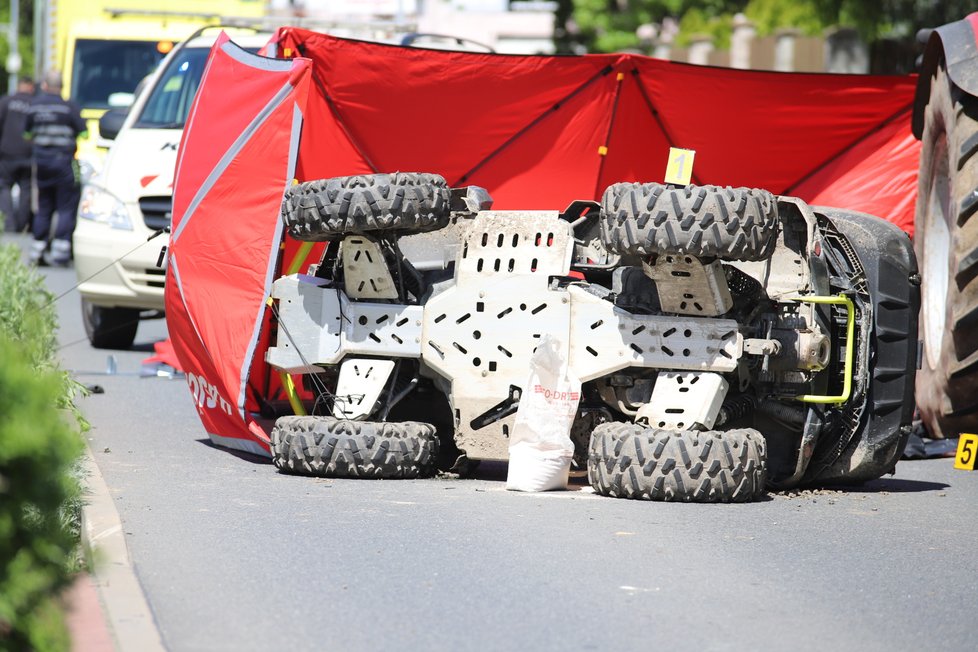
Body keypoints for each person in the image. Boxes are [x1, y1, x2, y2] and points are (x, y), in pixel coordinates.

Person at [26, 70, 86, 266]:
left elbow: (26, 134)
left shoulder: (34, 106)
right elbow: (84, 134)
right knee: (66, 207)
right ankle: (60, 252)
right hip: (64, 164)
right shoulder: (69, 107)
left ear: (44, 85)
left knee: (44, 206)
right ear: (61, 86)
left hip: (42, 163)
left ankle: (38, 250)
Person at [0, 77, 35, 232]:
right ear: (30, 87)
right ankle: (22, 224)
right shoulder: (35, 104)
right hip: (28, 154)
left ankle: (8, 223)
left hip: (7, 154)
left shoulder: (6, 101)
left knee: (4, 187)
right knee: (26, 189)